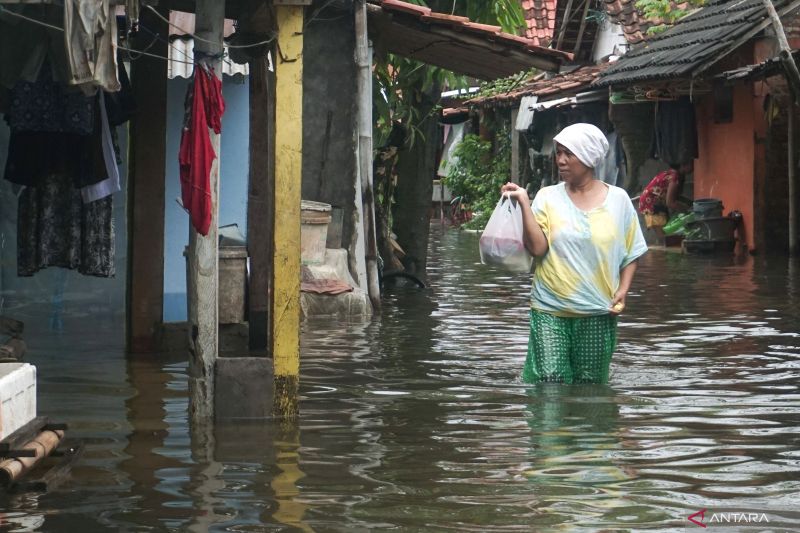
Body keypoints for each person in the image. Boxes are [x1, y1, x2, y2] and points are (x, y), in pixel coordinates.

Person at [501, 123, 648, 384]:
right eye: (558, 153)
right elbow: (537, 249)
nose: (561, 160)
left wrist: (623, 290)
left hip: (597, 309)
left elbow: (632, 251)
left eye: (569, 153)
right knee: (551, 381)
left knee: (590, 386)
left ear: (589, 156)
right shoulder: (547, 197)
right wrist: (524, 203)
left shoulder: (619, 200)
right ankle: (548, 427)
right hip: (550, 308)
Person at [637, 161, 693, 231]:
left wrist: (690, 203)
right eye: (691, 164)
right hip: (651, 203)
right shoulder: (674, 177)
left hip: (655, 201)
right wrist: (687, 211)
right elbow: (670, 203)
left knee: (666, 229)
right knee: (663, 233)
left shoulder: (675, 174)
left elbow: (675, 197)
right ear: (683, 165)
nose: (693, 166)